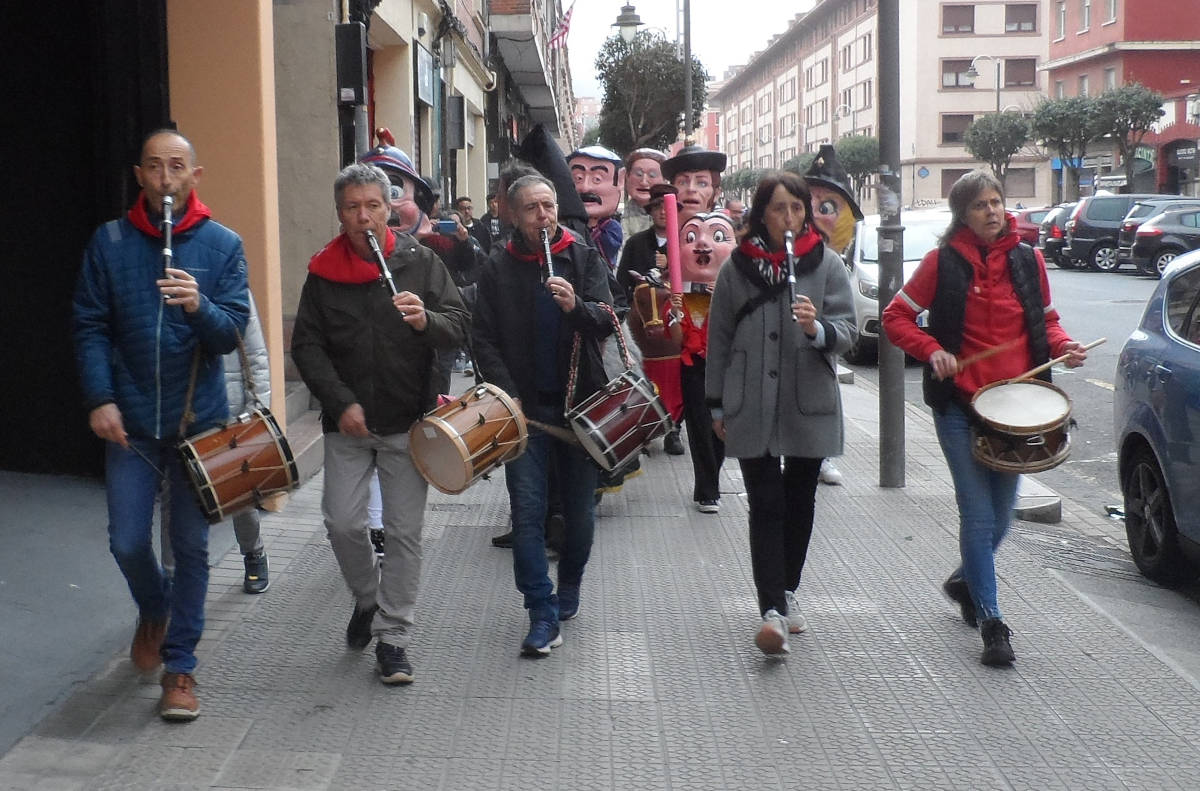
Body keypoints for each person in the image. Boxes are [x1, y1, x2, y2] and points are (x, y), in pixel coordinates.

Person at [73, 129, 249, 720]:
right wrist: (100, 398)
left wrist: (199, 306)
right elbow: (90, 325)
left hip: (199, 421)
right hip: (132, 420)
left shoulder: (223, 244)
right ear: (139, 176)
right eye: (154, 167)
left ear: (195, 176)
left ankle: (181, 668)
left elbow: (230, 335)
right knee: (126, 540)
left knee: (191, 546)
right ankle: (155, 609)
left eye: (177, 167)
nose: (165, 179)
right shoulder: (110, 242)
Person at [881, 170, 1087, 667]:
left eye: (996, 201)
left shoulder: (1028, 259)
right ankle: (992, 623)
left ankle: (963, 580)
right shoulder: (941, 262)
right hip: (960, 405)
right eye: (980, 205)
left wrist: (1065, 347)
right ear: (963, 215)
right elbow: (895, 317)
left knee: (999, 518)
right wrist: (932, 350)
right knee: (977, 515)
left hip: (1016, 410)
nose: (992, 211)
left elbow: (1046, 322)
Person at [291, 163, 469, 685]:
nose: (364, 217)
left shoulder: (421, 261)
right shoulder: (323, 271)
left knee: (403, 533)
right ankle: (368, 599)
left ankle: (394, 639)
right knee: (343, 524)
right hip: (347, 423)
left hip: (407, 420)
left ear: (389, 209)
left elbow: (460, 325)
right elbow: (307, 345)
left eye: (373, 206)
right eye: (353, 207)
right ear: (340, 213)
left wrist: (427, 320)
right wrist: (340, 401)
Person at [705, 171, 856, 656]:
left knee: (800, 500)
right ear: (761, 214)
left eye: (796, 208)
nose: (788, 218)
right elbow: (719, 338)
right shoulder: (736, 267)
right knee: (765, 502)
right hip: (750, 399)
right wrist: (715, 402)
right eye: (778, 208)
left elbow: (848, 331)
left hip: (808, 398)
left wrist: (818, 329)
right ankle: (771, 608)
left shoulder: (826, 263)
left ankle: (787, 589)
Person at [471, 174, 614, 656]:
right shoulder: (498, 266)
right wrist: (506, 396)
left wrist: (577, 307)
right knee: (528, 513)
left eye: (549, 206)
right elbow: (483, 338)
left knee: (579, 516)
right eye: (532, 209)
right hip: (525, 413)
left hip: (580, 409)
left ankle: (569, 582)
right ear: (514, 216)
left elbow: (607, 319)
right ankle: (540, 610)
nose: (544, 216)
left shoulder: (582, 256)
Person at [160, 291, 272, 594]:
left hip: (230, 411)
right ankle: (172, 577)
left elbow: (256, 355)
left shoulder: (235, 289)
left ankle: (254, 552)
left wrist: (257, 411)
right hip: (183, 411)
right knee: (173, 495)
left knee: (239, 494)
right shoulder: (168, 288)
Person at [663, 144, 728, 512]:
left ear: (714, 189)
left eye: (701, 182)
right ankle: (707, 486)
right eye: (683, 181)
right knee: (699, 419)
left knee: (721, 419)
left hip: (724, 344)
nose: (691, 190)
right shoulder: (670, 236)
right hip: (689, 333)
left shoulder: (726, 231)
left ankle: (712, 474)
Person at [804, 144, 866, 488]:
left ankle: (823, 455)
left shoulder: (835, 265)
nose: (814, 215)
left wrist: (821, 330)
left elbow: (846, 325)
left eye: (826, 207)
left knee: (824, 391)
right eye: (807, 204)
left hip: (820, 346)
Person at [618, 184, 685, 456]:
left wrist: (670, 266)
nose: (662, 212)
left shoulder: (684, 242)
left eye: (666, 208)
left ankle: (674, 427)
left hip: (673, 316)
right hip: (642, 317)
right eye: (656, 208)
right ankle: (644, 426)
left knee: (677, 371)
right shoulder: (636, 243)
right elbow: (622, 281)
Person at [568, 145, 625, 270]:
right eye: (578, 178)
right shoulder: (566, 226)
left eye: (597, 179)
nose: (585, 187)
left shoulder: (611, 229)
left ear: (620, 181)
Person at [621, 148, 667, 239]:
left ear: (665, 180)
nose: (644, 182)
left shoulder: (673, 217)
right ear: (627, 177)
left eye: (652, 175)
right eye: (638, 174)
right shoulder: (617, 218)